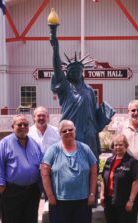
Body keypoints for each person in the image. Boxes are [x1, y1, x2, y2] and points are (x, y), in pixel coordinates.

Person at [50, 28, 115, 161]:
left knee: (90, 162)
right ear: (67, 73)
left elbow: (94, 111)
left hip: (89, 132)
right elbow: (57, 68)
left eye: (78, 70)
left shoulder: (89, 90)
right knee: (71, 159)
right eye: (72, 71)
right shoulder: (65, 87)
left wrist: (104, 114)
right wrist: (55, 48)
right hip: (71, 131)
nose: (75, 73)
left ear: (82, 73)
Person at [41, 120, 98, 223]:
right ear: (59, 134)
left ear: (75, 131)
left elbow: (94, 171)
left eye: (70, 130)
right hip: (59, 202)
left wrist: (92, 193)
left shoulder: (85, 148)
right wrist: (50, 195)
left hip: (82, 202)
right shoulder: (53, 150)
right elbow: (44, 173)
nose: (68, 132)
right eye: (64, 131)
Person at [0, 114, 43, 223]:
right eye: (19, 124)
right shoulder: (4, 143)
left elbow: (41, 165)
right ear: (12, 127)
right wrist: (4, 190)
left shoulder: (34, 143)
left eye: (25, 124)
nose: (22, 127)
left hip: (32, 192)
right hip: (12, 192)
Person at [100, 134, 138, 223]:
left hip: (126, 204)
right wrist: (102, 194)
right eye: (116, 145)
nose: (118, 147)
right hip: (110, 202)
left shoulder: (132, 162)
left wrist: (131, 200)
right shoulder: (109, 161)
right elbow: (103, 178)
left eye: (121, 145)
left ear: (126, 146)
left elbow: (137, 181)